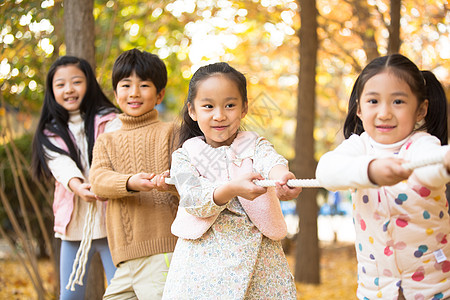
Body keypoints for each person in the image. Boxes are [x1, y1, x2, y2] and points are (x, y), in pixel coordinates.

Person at [315, 53, 450, 300]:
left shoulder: (423, 145)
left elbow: (430, 170)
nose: (385, 113)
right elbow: (326, 172)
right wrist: (371, 170)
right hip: (376, 289)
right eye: (373, 101)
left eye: (398, 102)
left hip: (432, 287)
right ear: (359, 108)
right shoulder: (359, 147)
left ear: (421, 109)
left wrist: (444, 163)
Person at [162, 62, 302, 299]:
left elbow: (272, 162)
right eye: (208, 106)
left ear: (244, 108)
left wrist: (282, 179)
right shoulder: (185, 155)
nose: (219, 115)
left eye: (229, 105)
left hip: (260, 260)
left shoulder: (254, 145)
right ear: (192, 110)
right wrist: (232, 189)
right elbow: (193, 197)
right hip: (202, 260)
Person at [88, 48, 179, 300]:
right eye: (126, 85)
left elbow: (190, 180)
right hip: (124, 258)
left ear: (160, 94)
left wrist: (168, 182)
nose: (134, 93)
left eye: (144, 85)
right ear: (116, 93)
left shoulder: (172, 132)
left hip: (162, 251)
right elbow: (98, 181)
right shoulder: (106, 140)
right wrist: (130, 182)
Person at [31, 56, 119, 300]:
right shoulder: (49, 131)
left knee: (123, 294)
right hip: (74, 227)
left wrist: (105, 183)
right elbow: (61, 164)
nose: (69, 89)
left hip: (112, 224)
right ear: (52, 91)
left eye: (76, 81)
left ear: (89, 84)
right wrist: (78, 186)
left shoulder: (111, 120)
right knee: (70, 295)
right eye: (60, 84)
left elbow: (117, 157)